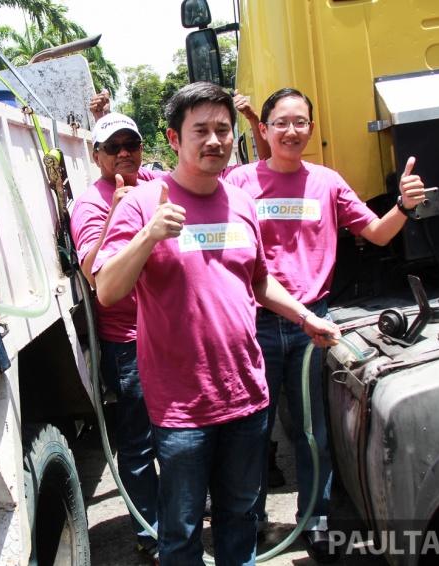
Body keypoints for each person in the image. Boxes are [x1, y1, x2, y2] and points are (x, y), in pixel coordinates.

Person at [92, 81, 340, 565]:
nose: (214, 140)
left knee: (240, 514)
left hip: (246, 396)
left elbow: (260, 281)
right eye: (200, 130)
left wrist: (307, 316)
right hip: (183, 406)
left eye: (222, 129)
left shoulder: (241, 202)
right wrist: (148, 235)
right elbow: (107, 289)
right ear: (173, 138)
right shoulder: (144, 204)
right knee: (182, 530)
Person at [223, 87, 426, 563]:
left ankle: (314, 523)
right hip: (253, 323)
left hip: (313, 328)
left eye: (300, 122)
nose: (291, 131)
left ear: (311, 129)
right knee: (252, 431)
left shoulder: (327, 182)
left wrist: (405, 206)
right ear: (265, 129)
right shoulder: (239, 183)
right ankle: (249, 522)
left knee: (312, 432)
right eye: (281, 123)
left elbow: (375, 233)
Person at [70, 111, 161, 564]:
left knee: (183, 435)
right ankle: (150, 530)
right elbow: (92, 272)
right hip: (129, 341)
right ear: (97, 155)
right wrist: (121, 208)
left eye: (132, 144)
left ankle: (178, 516)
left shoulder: (155, 182)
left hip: (172, 332)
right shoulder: (90, 203)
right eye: (113, 147)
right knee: (140, 442)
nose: (125, 153)